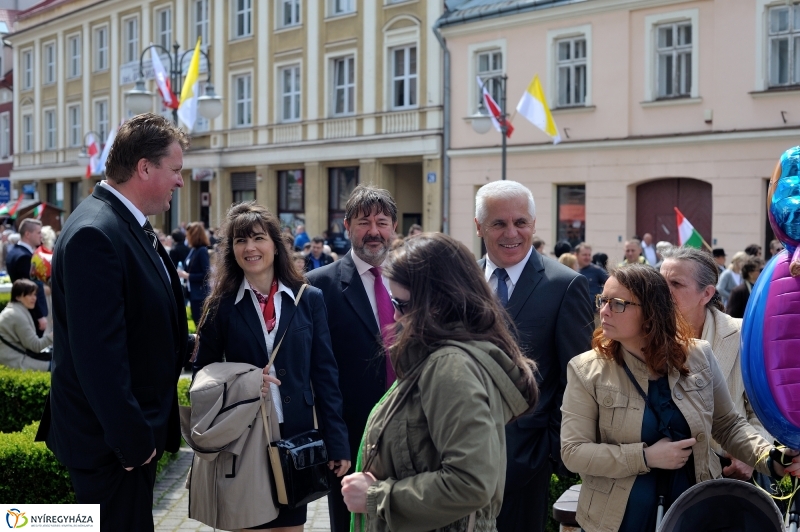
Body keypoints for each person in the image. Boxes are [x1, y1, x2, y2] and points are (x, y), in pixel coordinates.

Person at [39, 113, 194, 531]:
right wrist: (133, 442)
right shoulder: (97, 232)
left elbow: (141, 324)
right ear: (145, 167)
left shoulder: (119, 221)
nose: (181, 182)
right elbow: (99, 356)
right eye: (175, 170)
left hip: (123, 443)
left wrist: (198, 344)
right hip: (112, 449)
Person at [560, 264, 798, 532]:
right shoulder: (586, 369)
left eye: (617, 304)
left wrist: (772, 457)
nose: (603, 311)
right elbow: (573, 452)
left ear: (651, 312)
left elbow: (728, 425)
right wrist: (645, 457)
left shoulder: (698, 356)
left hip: (694, 513)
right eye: (602, 300)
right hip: (619, 520)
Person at [341, 233, 539, 530]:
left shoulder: (450, 366)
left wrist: (376, 496)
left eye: (403, 305)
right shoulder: (438, 357)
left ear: (438, 303)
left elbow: (470, 483)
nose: (394, 315)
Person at [193, 201, 350, 531]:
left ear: (275, 246)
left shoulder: (309, 299)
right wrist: (243, 384)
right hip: (244, 441)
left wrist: (337, 443)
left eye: (258, 238)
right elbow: (202, 377)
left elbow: (325, 375)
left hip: (296, 439)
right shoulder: (220, 306)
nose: (249, 248)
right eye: (239, 240)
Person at [473, 180, 593, 532]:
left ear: (534, 224)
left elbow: (578, 377)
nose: (512, 232)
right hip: (459, 459)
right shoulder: (462, 282)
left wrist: (551, 452)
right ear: (479, 226)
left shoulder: (565, 285)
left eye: (520, 222)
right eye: (499, 223)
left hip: (528, 461)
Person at [307, 184, 400, 532]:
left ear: (393, 226)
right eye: (363, 222)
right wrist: (335, 441)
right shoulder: (320, 287)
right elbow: (319, 372)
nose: (373, 232)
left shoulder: (416, 279)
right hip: (351, 440)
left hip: (412, 432)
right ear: (346, 226)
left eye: (382, 222)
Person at [660, 247, 771, 483]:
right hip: (667, 475)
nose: (663, 291)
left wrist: (752, 457)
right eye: (660, 282)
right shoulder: (645, 337)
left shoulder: (744, 335)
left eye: (676, 284)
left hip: (731, 471)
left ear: (707, 294)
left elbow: (761, 412)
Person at [6, 218, 48, 336]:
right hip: (30, 314)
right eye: (38, 232)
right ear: (28, 234)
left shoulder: (14, 252)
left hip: (24, 311)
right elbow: (29, 290)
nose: (41, 236)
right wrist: (39, 316)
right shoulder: (24, 257)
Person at [0, 279, 52, 371]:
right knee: (61, 368)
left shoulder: (17, 309)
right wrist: (54, 335)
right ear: (18, 297)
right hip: (17, 361)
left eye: (35, 294)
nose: (34, 298)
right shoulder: (16, 314)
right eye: (29, 294)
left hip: (19, 357)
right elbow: (36, 346)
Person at [177, 222, 211, 326]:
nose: (186, 237)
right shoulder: (193, 250)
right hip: (192, 293)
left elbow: (206, 274)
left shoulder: (202, 251)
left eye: (188, 235)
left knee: (201, 325)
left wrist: (187, 276)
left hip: (200, 294)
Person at [576, 243, 608, 319]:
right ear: (576, 255)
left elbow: (610, 285)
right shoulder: (573, 269)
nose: (587, 257)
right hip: (578, 313)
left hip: (593, 314)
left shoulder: (597, 270)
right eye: (584, 255)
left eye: (589, 255)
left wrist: (602, 302)